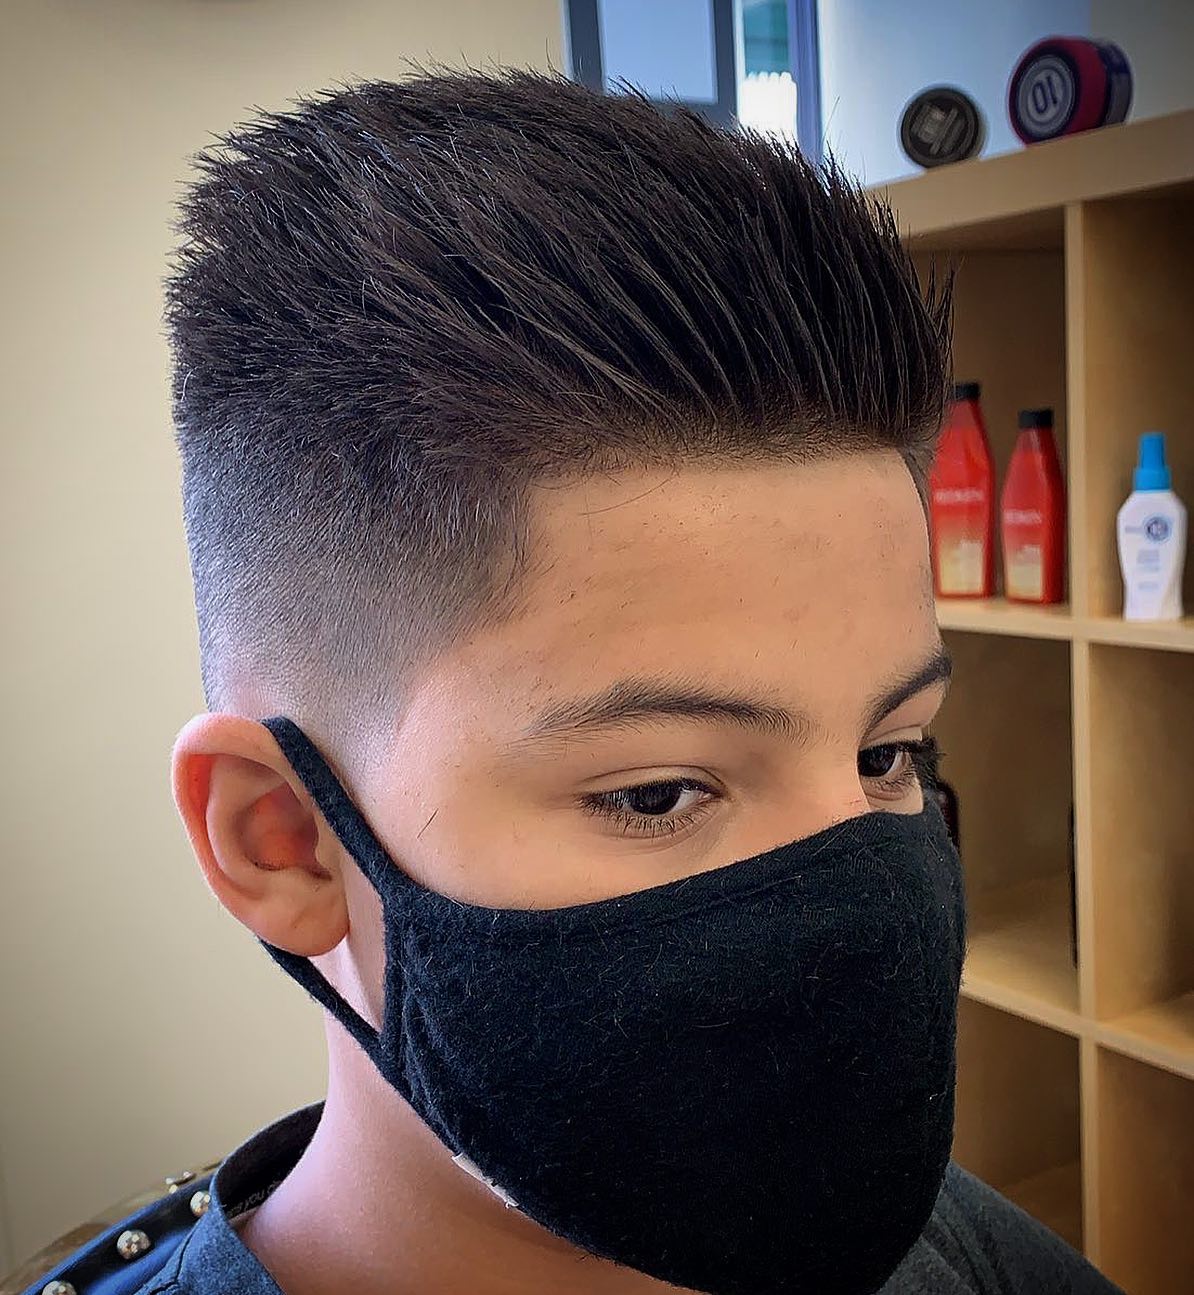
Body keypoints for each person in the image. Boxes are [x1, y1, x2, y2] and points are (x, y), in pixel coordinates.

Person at [85, 67, 1119, 1295]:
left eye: (886, 754)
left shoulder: (952, 1247)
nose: (860, 910)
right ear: (283, 839)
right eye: (657, 792)